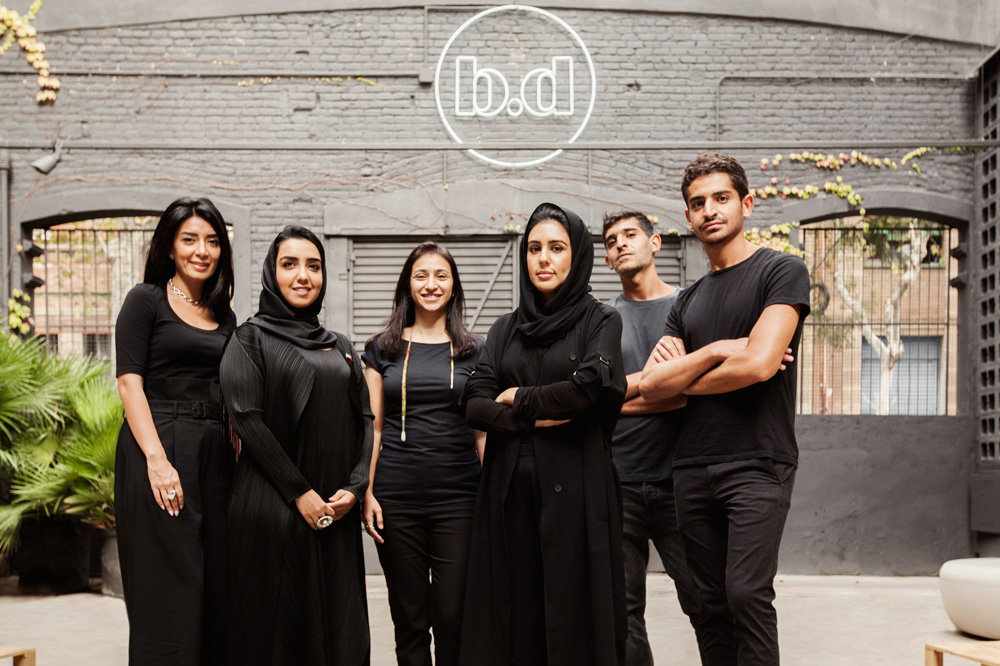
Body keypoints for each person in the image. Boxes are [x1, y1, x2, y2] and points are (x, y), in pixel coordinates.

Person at [639, 154, 810, 666]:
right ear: (688, 216)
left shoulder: (781, 271)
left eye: (721, 198)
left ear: (746, 204)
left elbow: (759, 364)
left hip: (758, 461)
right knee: (709, 606)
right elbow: (652, 385)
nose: (709, 210)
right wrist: (715, 351)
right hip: (692, 467)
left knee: (746, 594)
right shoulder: (687, 301)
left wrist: (686, 375)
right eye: (698, 203)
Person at [459, 202, 627, 666]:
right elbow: (473, 402)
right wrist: (531, 416)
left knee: (575, 612)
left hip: (579, 490)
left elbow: (589, 388)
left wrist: (517, 397)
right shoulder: (504, 329)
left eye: (556, 248)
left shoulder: (601, 320)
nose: (543, 259)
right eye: (534, 249)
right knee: (515, 613)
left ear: (577, 255)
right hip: (508, 493)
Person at [219, 225, 373, 666]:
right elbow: (247, 419)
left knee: (341, 633)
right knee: (279, 637)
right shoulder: (249, 339)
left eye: (313, 266)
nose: (303, 275)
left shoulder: (340, 346)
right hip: (273, 511)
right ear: (272, 272)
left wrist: (356, 487)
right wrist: (300, 493)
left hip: (334, 513)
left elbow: (365, 418)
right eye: (290, 264)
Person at [114, 196, 236, 665]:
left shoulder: (224, 314)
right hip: (160, 445)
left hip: (214, 453)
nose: (202, 250)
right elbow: (129, 383)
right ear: (169, 246)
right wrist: (157, 461)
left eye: (212, 241)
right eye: (189, 239)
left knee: (215, 584)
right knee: (167, 587)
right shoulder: (145, 300)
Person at [362, 241, 485, 666]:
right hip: (396, 499)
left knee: (453, 615)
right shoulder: (381, 349)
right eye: (421, 276)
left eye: (441, 276)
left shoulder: (475, 350)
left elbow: (482, 432)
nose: (431, 284)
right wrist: (367, 491)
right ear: (408, 285)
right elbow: (374, 426)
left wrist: (493, 494)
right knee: (410, 618)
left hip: (460, 499)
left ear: (453, 286)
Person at [601, 210, 710, 665]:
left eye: (630, 234)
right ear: (607, 259)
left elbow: (698, 393)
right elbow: (594, 400)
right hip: (618, 483)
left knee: (704, 602)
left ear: (655, 242)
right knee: (623, 613)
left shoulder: (689, 306)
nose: (621, 244)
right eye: (612, 241)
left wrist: (631, 392)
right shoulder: (602, 319)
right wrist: (662, 383)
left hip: (680, 482)